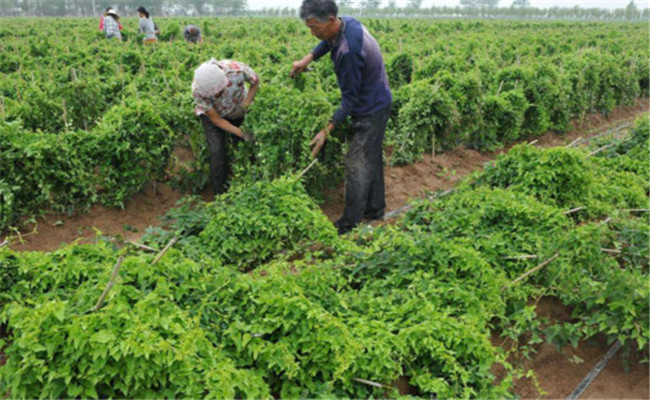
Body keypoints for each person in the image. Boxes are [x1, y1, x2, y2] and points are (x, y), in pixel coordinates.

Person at [290, 0, 392, 235]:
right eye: (309, 28)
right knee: (371, 156)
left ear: (331, 20)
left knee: (356, 163)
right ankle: (375, 209)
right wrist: (308, 58)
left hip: (371, 108)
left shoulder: (348, 52)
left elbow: (350, 99)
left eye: (315, 28)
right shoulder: (347, 23)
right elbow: (328, 41)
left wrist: (326, 130)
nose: (313, 33)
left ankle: (350, 223)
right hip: (377, 98)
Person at [192, 59, 259, 195]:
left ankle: (254, 181)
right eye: (212, 95)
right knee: (217, 151)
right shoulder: (198, 89)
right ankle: (220, 194)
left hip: (237, 106)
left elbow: (255, 81)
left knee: (248, 146)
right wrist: (240, 132)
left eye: (218, 92)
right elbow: (216, 119)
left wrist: (246, 104)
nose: (216, 95)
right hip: (213, 115)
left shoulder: (238, 71)